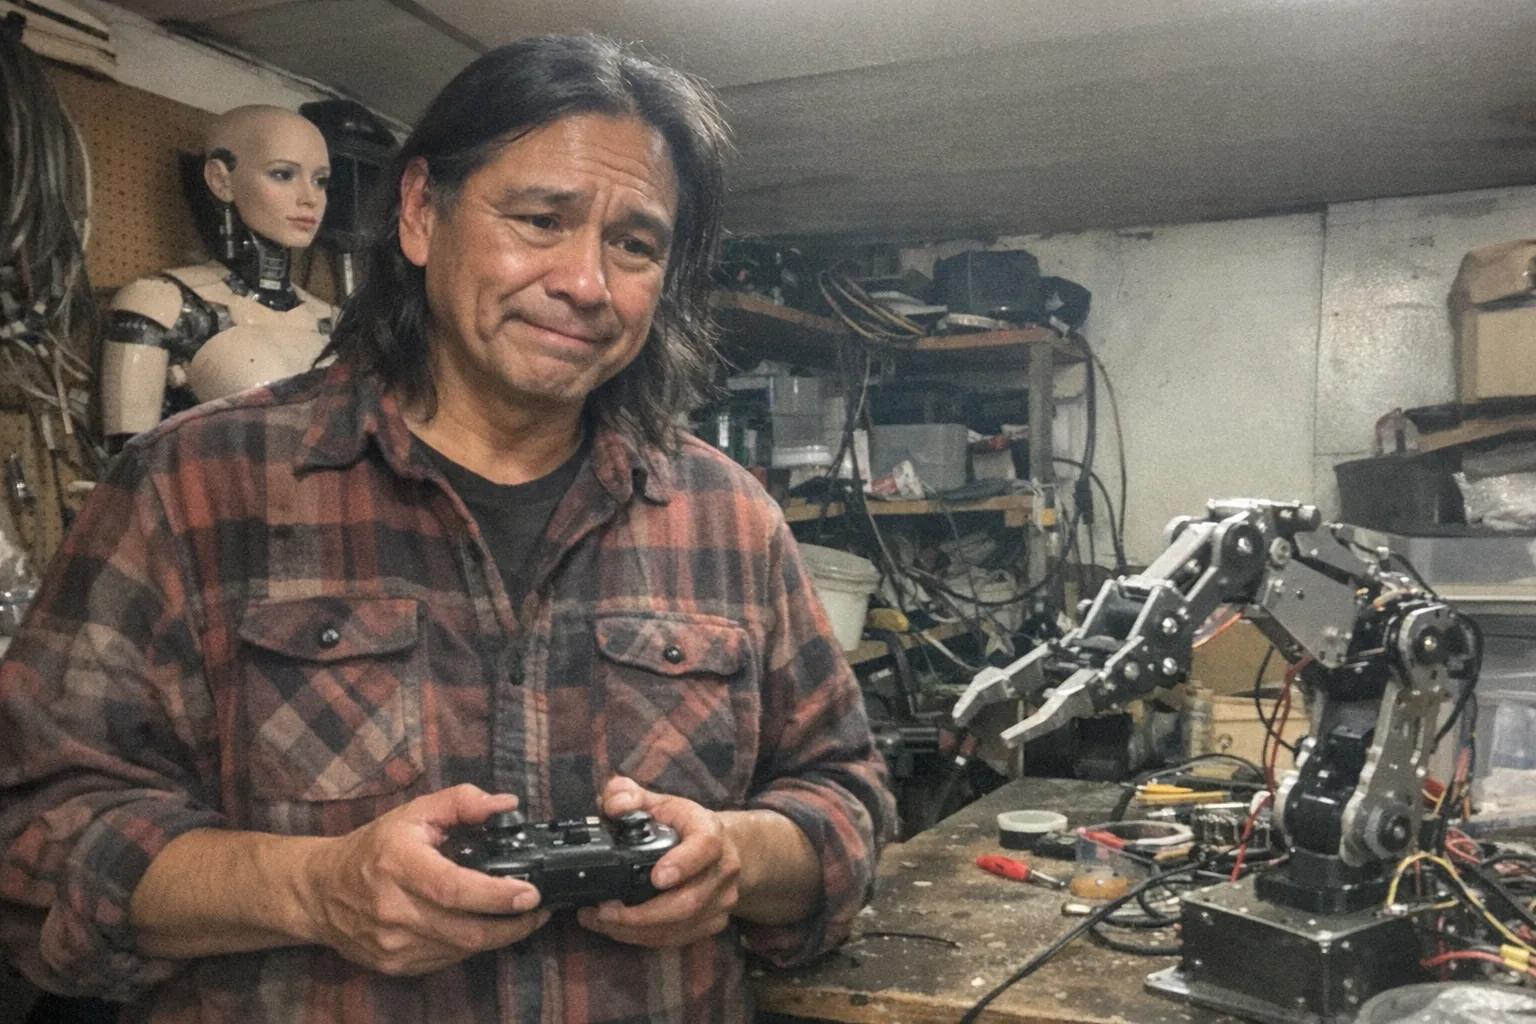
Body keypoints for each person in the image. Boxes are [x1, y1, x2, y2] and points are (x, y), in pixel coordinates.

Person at [0, 32, 894, 1023]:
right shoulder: (193, 488)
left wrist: (739, 858)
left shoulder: (728, 518)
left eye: (634, 244)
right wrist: (312, 887)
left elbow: (845, 800)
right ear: (423, 213)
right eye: (540, 219)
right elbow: (31, 844)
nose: (586, 282)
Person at [99, 104, 335, 443]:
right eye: (283, 174)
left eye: (321, 181)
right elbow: (127, 470)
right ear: (221, 180)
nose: (310, 198)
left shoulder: (337, 322)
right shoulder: (163, 304)